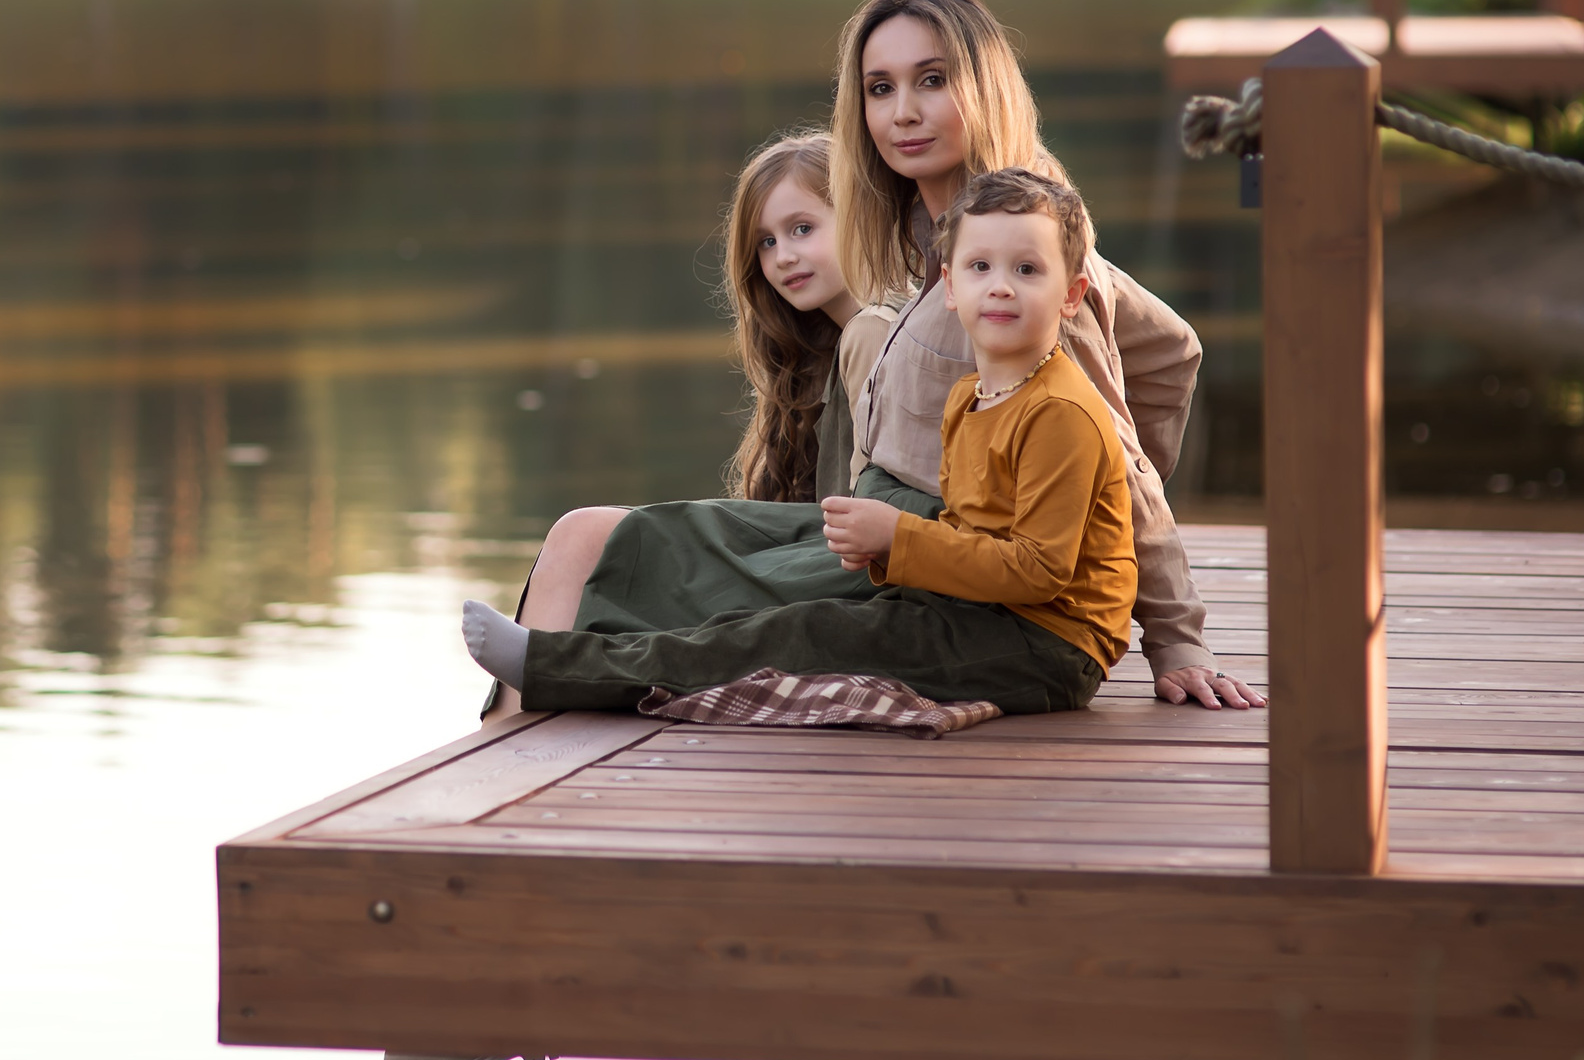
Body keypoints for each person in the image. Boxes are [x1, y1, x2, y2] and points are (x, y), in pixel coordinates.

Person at [377, 0, 1260, 1060]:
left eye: (932, 79)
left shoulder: (1008, 243)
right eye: (880, 87)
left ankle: (484, 932)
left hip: (947, 571)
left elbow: (1129, 437)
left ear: (983, 86)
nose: (903, 109)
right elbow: (1171, 344)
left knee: (652, 594)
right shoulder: (904, 237)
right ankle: (481, 876)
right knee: (588, 537)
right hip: (872, 538)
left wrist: (1165, 629)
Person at [462, 168, 1128, 721]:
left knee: (802, 635)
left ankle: (555, 668)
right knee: (786, 617)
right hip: (981, 612)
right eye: (981, 266)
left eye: (1027, 269)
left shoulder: (1061, 412)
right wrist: (890, 557)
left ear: (1070, 295)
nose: (1002, 284)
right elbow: (969, 532)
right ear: (950, 289)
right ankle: (564, 662)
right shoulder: (969, 396)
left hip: (1046, 647)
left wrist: (899, 539)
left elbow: (1040, 572)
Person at [718, 131, 899, 506]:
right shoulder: (815, 350)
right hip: (818, 545)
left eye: (802, 229)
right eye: (766, 242)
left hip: (859, 553)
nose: (782, 256)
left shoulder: (877, 331)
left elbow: (875, 511)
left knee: (592, 531)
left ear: (857, 215)